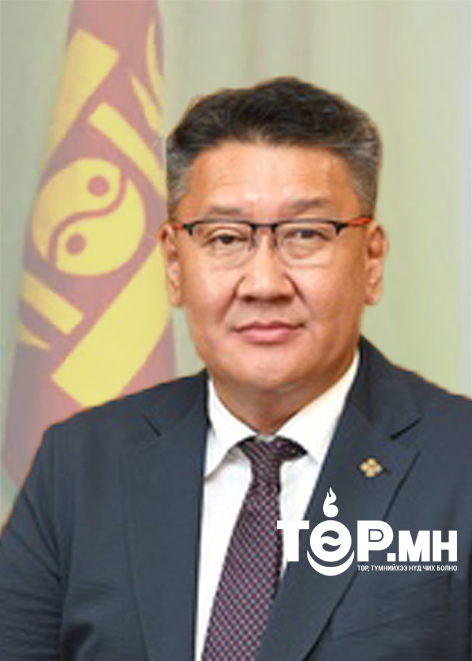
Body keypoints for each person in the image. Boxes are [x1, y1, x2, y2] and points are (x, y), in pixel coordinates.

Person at [1, 77, 471, 661]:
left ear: (371, 260)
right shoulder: (77, 467)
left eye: (306, 234)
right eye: (225, 238)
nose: (264, 284)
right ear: (174, 264)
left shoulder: (461, 464)